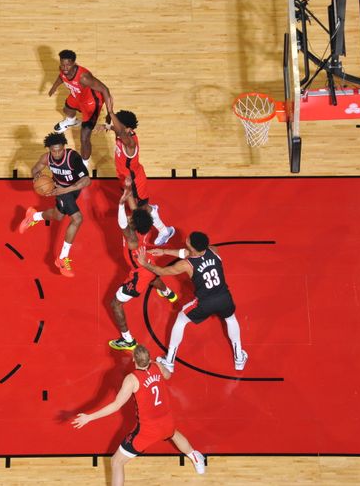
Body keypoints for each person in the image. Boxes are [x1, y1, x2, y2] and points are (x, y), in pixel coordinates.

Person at [72, 345, 205, 485]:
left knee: (116, 462)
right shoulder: (157, 366)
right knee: (173, 434)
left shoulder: (132, 379)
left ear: (134, 360)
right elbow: (168, 375)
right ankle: (196, 459)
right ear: (149, 358)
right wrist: (158, 363)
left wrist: (89, 417)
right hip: (167, 421)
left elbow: (116, 405)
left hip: (147, 431)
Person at [136, 231, 248, 373]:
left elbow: (162, 271)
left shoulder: (186, 265)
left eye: (188, 240)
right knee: (231, 319)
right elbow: (189, 253)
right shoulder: (213, 250)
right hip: (224, 297)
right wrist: (164, 251)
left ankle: (169, 361)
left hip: (205, 303)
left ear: (192, 247)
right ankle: (239, 358)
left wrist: (145, 263)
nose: (186, 239)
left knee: (181, 320)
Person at [108, 181, 177, 351]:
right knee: (153, 277)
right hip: (148, 261)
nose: (130, 216)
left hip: (138, 273)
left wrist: (120, 203)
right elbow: (135, 212)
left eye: (131, 218)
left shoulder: (132, 240)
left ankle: (128, 340)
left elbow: (121, 222)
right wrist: (128, 191)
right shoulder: (143, 226)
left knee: (115, 304)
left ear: (132, 225)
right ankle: (169, 294)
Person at [19, 132, 91, 277]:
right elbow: (35, 169)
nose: (57, 153)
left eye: (59, 150)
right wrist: (37, 178)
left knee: (58, 216)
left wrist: (67, 189)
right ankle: (62, 258)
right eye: (54, 150)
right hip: (60, 190)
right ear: (49, 149)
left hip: (72, 188)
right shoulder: (46, 158)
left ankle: (34, 216)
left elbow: (87, 180)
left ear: (64, 147)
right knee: (77, 219)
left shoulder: (73, 158)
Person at [109, 110, 175, 246]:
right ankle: (151, 210)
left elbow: (120, 132)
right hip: (126, 178)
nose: (116, 127)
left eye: (118, 126)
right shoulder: (122, 133)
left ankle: (164, 230)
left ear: (127, 129)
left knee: (138, 211)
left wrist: (110, 111)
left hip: (135, 183)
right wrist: (107, 126)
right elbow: (118, 130)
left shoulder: (130, 144)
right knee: (139, 208)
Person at [48, 49, 114, 165]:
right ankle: (71, 121)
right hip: (78, 95)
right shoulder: (63, 70)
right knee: (66, 109)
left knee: (84, 137)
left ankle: (84, 163)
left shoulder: (84, 77)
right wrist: (54, 87)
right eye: (62, 65)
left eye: (68, 65)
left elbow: (105, 89)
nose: (65, 68)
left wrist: (110, 113)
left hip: (91, 103)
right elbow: (61, 77)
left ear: (74, 64)